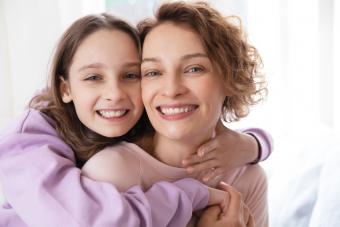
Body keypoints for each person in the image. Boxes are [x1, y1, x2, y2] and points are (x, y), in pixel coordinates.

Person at [0, 12, 271, 227]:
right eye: (154, 72)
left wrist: (253, 144)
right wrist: (193, 193)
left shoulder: (248, 174)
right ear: (65, 89)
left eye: (131, 75)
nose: (115, 94)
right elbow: (95, 221)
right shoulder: (28, 146)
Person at [82, 2, 269, 227]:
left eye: (194, 69)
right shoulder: (109, 174)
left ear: (230, 79)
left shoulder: (249, 178)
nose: (171, 90)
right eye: (153, 72)